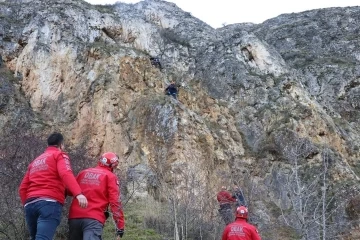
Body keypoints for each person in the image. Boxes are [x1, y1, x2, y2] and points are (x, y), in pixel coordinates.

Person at [19, 132, 88, 240]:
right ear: (61, 145)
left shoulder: (35, 161)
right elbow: (65, 173)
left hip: (30, 204)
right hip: (49, 203)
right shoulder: (59, 155)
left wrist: (27, 205)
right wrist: (78, 194)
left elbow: (22, 188)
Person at [68, 152, 125, 240]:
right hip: (94, 219)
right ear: (113, 165)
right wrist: (120, 226)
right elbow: (115, 202)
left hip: (74, 217)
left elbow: (70, 190)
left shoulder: (83, 173)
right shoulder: (110, 177)